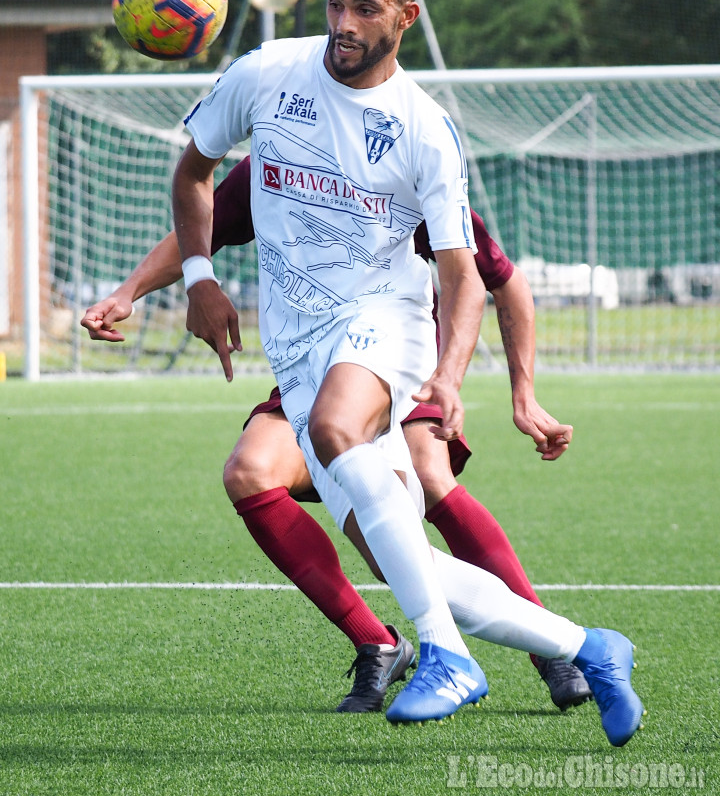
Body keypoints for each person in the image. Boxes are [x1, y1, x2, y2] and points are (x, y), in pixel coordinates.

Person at [150, 0, 642, 739]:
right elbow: (192, 174)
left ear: (405, 17)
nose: (343, 22)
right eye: (335, 2)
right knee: (407, 562)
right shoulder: (267, 75)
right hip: (299, 346)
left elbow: (466, 277)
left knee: (342, 430)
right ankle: (586, 645)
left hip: (390, 322)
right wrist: (198, 281)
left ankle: (444, 655)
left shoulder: (423, 130)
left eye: (365, 8)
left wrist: (451, 378)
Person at [81, 156, 591, 715]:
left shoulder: (398, 160)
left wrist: (524, 395)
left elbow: (502, 280)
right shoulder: (272, 157)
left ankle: (551, 648)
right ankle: (378, 642)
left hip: (400, 364)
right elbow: (199, 227)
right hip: (314, 369)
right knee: (249, 473)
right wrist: (129, 290)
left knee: (428, 474)